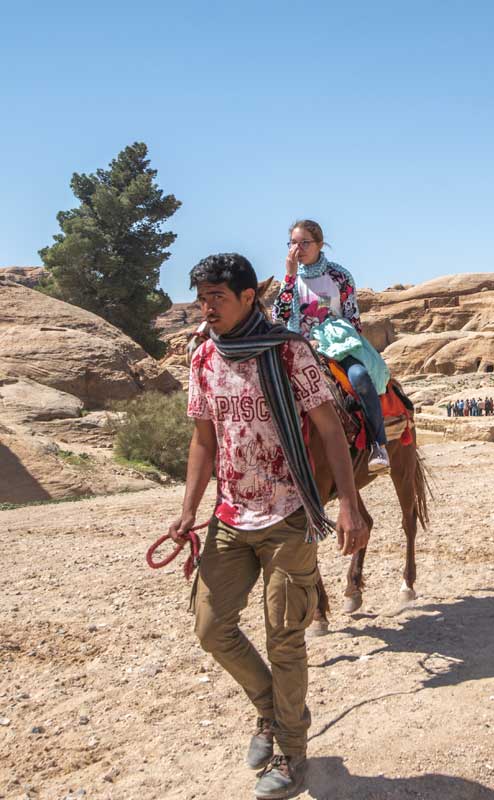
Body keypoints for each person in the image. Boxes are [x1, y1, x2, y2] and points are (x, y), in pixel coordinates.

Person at [168, 253, 369, 799]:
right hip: (230, 517)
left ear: (248, 296)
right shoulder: (204, 355)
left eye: (218, 298)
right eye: (201, 297)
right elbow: (203, 439)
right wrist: (189, 509)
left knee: (285, 640)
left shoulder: (290, 350)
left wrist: (347, 504)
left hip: (289, 515)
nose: (206, 308)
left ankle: (292, 752)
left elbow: (328, 430)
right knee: (212, 628)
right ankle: (270, 710)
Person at [272, 219, 390, 472]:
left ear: (320, 244)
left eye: (305, 242)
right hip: (298, 346)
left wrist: (348, 346)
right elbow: (278, 318)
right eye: (293, 243)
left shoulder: (339, 276)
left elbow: (352, 316)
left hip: (336, 346)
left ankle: (377, 444)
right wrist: (289, 277)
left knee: (360, 378)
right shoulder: (289, 280)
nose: (298, 248)